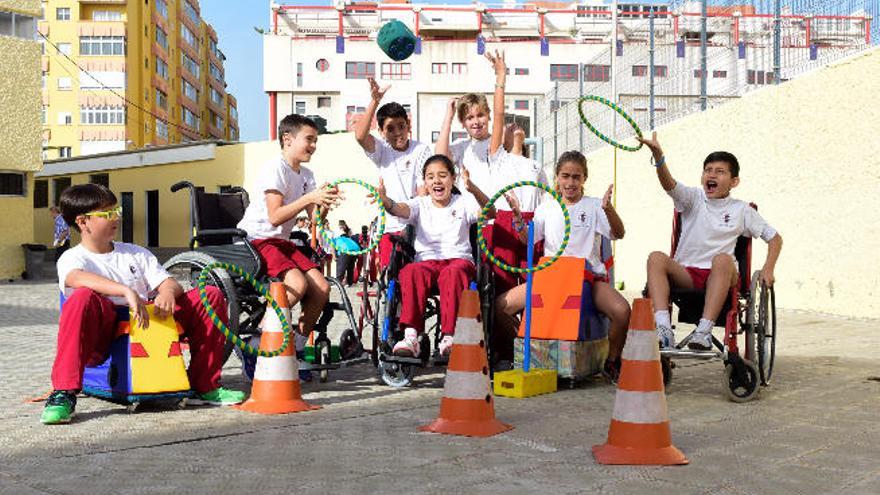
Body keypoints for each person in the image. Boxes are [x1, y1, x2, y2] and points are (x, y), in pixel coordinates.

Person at [43, 184, 245, 425]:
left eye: (116, 210)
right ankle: (64, 392)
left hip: (148, 322)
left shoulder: (135, 253)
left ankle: (204, 386)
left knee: (209, 295)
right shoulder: (73, 257)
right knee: (81, 297)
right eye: (107, 214)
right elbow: (74, 278)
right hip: (105, 330)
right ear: (83, 222)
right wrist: (125, 291)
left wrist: (167, 292)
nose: (116, 217)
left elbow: (168, 282)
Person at [638, 132, 783, 350]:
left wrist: (768, 269)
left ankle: (704, 331)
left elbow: (775, 239)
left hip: (720, 276)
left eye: (720, 171)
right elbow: (668, 184)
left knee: (723, 259)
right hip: (686, 274)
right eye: (708, 170)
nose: (711, 175)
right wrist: (658, 156)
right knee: (655, 258)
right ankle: (664, 330)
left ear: (734, 181)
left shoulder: (742, 210)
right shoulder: (692, 198)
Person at [494, 151, 631, 381]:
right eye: (565, 176)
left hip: (588, 278)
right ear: (556, 177)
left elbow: (619, 233)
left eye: (576, 177)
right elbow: (528, 239)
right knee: (500, 306)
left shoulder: (595, 205)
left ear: (584, 178)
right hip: (551, 279)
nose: (570, 183)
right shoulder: (546, 208)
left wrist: (609, 209)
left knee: (622, 311)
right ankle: (527, 353)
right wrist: (518, 219)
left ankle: (611, 361)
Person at [236, 114, 341, 364]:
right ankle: (258, 338)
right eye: (309, 139)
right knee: (297, 284)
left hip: (282, 242)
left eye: (316, 140)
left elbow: (314, 220)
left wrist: (324, 202)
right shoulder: (276, 168)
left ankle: (298, 346)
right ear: (288, 139)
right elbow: (275, 217)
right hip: (259, 240)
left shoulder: (307, 174)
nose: (313, 146)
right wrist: (309, 198)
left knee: (322, 288)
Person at [376, 154, 493, 358]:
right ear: (425, 182)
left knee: (453, 273)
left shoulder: (463, 202)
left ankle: (449, 337)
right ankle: (411, 336)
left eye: (442, 175)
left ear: (453, 178)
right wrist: (385, 200)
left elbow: (491, 212)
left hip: (458, 261)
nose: (436, 181)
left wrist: (473, 188)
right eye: (430, 177)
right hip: (427, 262)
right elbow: (398, 209)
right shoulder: (419, 204)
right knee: (410, 271)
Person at [354, 78, 432, 269]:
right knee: (391, 277)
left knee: (415, 274)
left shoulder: (421, 149)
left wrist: (420, 224)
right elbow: (360, 136)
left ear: (408, 125)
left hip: (416, 226)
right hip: (390, 227)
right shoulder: (381, 150)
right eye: (390, 128)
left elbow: (424, 190)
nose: (398, 132)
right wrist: (375, 101)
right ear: (381, 131)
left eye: (401, 126)